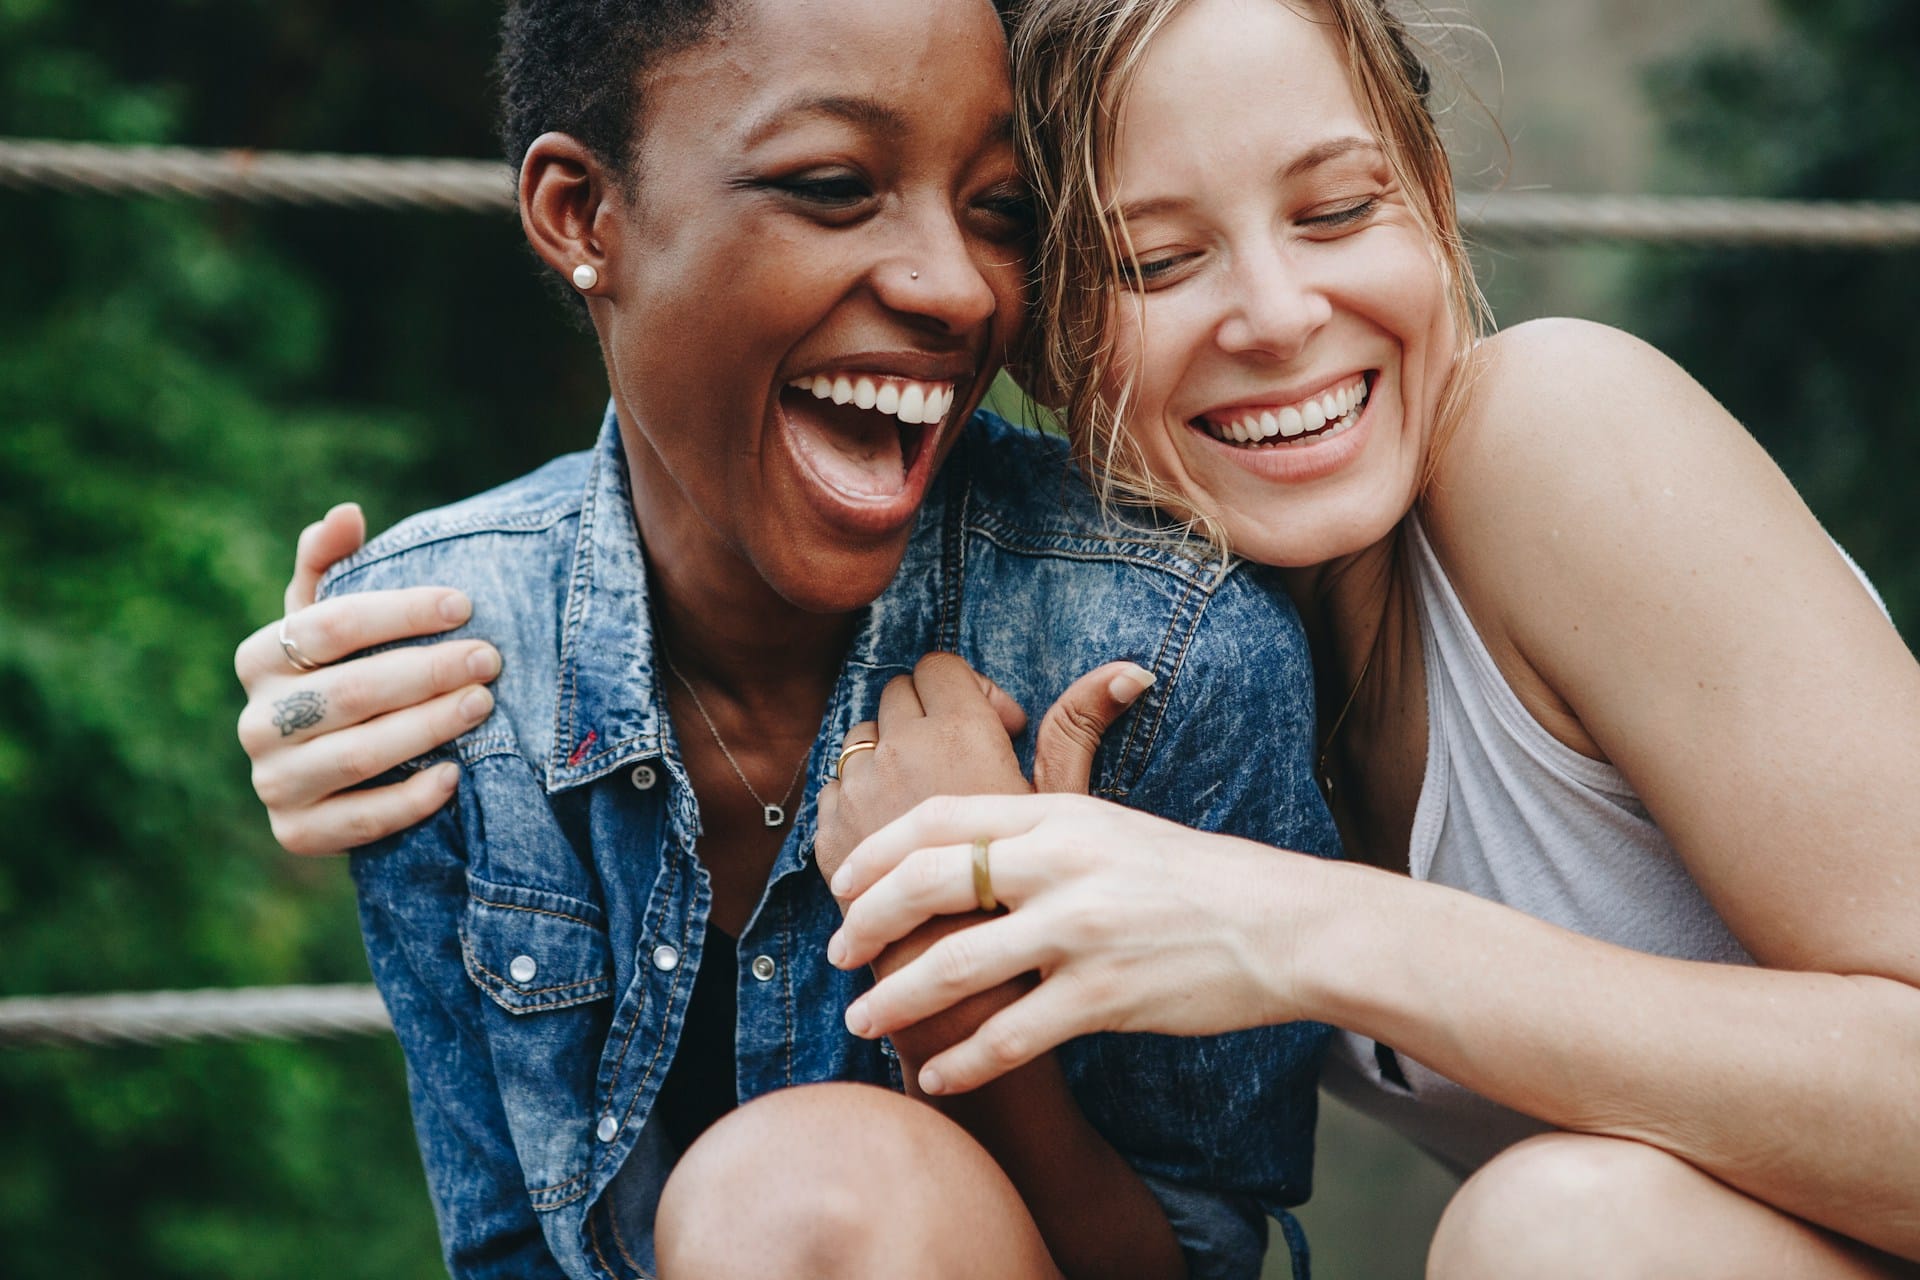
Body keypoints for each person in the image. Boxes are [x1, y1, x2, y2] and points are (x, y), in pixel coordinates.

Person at [233, 0, 1342, 1276]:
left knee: (808, 1193)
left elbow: (1205, 1259)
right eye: (831, 185)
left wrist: (974, 1014)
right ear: (582, 215)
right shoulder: (431, 675)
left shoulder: (1164, 652)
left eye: (1001, 210)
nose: (954, 284)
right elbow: (503, 1244)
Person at [819, 0, 1920, 1275]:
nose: (1279, 316)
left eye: (1338, 212)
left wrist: (1303, 930)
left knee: (1563, 1232)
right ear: (1052, 337)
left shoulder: (1559, 435)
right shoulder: (1166, 660)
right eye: (1158, 262)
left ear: (1434, 204)